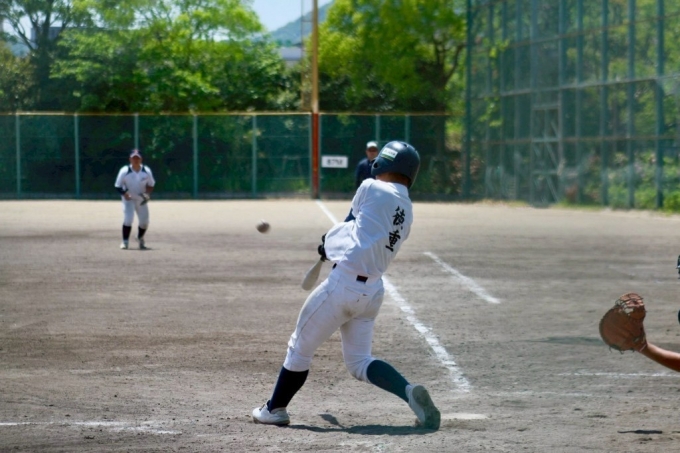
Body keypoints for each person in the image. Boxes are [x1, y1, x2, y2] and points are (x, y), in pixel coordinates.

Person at [252, 141, 441, 430]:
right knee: (359, 361)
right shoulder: (407, 209)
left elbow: (349, 223)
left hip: (343, 287)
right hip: (372, 293)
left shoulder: (370, 186)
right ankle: (407, 391)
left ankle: (274, 409)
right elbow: (364, 233)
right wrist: (331, 246)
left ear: (384, 163)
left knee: (299, 347)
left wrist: (327, 245)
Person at [114, 149, 155, 250]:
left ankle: (140, 237)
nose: (136, 160)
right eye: (134, 158)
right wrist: (124, 194)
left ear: (141, 159)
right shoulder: (125, 170)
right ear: (130, 159)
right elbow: (117, 185)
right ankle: (125, 242)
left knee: (144, 222)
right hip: (129, 199)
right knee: (128, 219)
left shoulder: (146, 171)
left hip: (141, 199)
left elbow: (151, 185)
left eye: (138, 158)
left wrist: (147, 194)